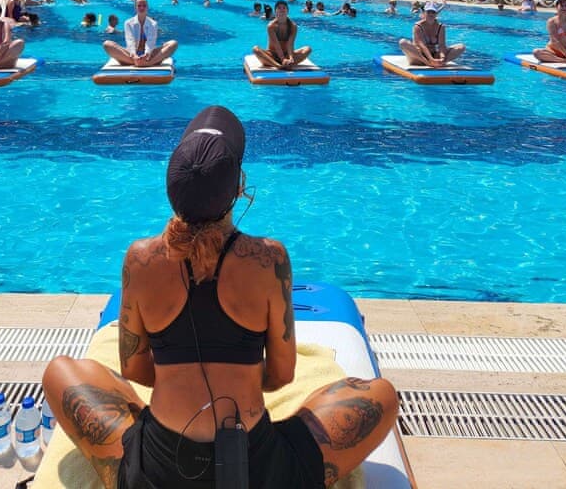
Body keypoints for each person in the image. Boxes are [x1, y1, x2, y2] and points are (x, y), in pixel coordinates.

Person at [43, 105, 398, 489]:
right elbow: (282, 375)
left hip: (157, 471)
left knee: (63, 372)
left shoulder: (140, 259)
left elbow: (134, 370)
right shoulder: (269, 259)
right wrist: (238, 378)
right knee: (380, 396)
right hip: (256, 470)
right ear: (239, 188)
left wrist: (180, 380)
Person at [103, 0, 178, 68]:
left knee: (173, 43)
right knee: (107, 44)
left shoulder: (153, 24)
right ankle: (144, 63)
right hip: (131, 55)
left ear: (147, 7)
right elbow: (130, 40)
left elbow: (151, 42)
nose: (142, 8)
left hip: (149, 56)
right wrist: (134, 55)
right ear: (135, 7)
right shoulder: (128, 23)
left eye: (144, 6)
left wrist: (147, 54)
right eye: (139, 6)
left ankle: (146, 63)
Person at [399, 1, 466, 68]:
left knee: (461, 47)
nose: (431, 14)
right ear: (424, 13)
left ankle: (441, 63)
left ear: (436, 14)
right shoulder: (418, 26)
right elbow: (422, 45)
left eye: (433, 12)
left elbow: (442, 45)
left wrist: (442, 57)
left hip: (434, 55)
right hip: (419, 58)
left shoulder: (441, 27)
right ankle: (429, 63)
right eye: (428, 12)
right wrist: (430, 60)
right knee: (403, 42)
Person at [253, 0, 311, 69]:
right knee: (256, 49)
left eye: (284, 8)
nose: (282, 10)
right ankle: (278, 66)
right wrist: (283, 59)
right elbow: (276, 44)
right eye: (279, 8)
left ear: (287, 11)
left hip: (286, 55)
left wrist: (291, 58)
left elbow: (290, 44)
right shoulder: (271, 26)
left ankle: (287, 63)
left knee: (307, 49)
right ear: (275, 11)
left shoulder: (293, 26)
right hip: (272, 55)